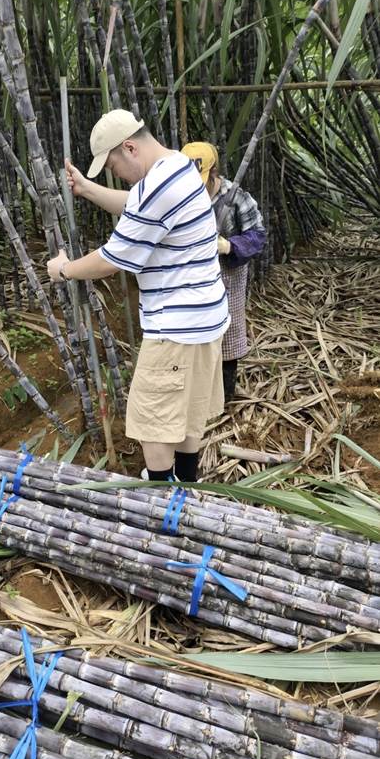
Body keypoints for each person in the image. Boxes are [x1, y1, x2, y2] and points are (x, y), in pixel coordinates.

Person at [47, 109, 230, 482]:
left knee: (153, 419)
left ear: (129, 147)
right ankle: (186, 484)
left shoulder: (158, 186)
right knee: (187, 410)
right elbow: (137, 204)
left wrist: (64, 269)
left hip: (175, 327)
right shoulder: (178, 165)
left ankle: (162, 497)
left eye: (113, 165)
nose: (115, 173)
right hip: (205, 318)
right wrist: (87, 189)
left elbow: (112, 259)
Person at [181, 142, 266, 402]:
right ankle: (199, 394)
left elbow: (258, 237)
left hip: (228, 276)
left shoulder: (237, 198)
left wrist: (229, 246)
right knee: (195, 334)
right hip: (192, 279)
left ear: (214, 172)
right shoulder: (179, 195)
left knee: (228, 334)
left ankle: (226, 396)